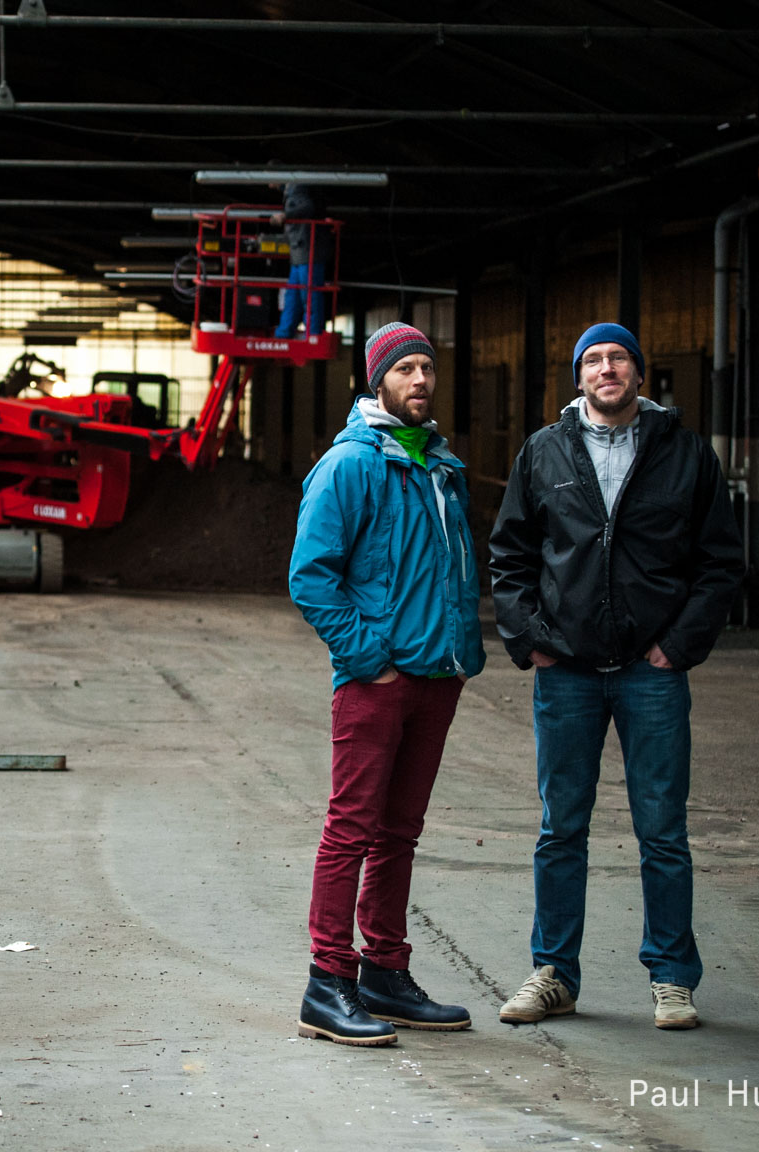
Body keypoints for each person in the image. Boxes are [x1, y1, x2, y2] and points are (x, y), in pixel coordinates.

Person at [488, 322, 742, 1031]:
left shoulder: (686, 454)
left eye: (618, 358)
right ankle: (553, 975)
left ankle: (671, 978)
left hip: (650, 672)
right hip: (565, 669)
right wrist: (531, 639)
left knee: (662, 830)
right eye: (593, 360)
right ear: (578, 377)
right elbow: (510, 554)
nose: (607, 369)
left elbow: (719, 562)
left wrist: (677, 646)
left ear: (639, 373)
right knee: (560, 828)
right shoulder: (543, 452)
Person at [288, 321, 485, 1046]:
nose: (420, 380)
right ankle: (328, 982)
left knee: (400, 832)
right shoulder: (351, 465)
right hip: (378, 680)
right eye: (405, 369)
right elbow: (310, 576)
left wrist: (457, 656)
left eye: (428, 368)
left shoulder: (441, 466)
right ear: (378, 382)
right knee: (352, 829)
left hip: (438, 675)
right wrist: (369, 655)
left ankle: (385, 975)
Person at [274, 182, 329, 339]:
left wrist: (285, 215)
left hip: (309, 251)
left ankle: (312, 333)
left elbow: (307, 207)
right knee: (293, 296)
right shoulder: (291, 190)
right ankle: (284, 332)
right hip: (300, 253)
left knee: (309, 295)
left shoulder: (297, 188)